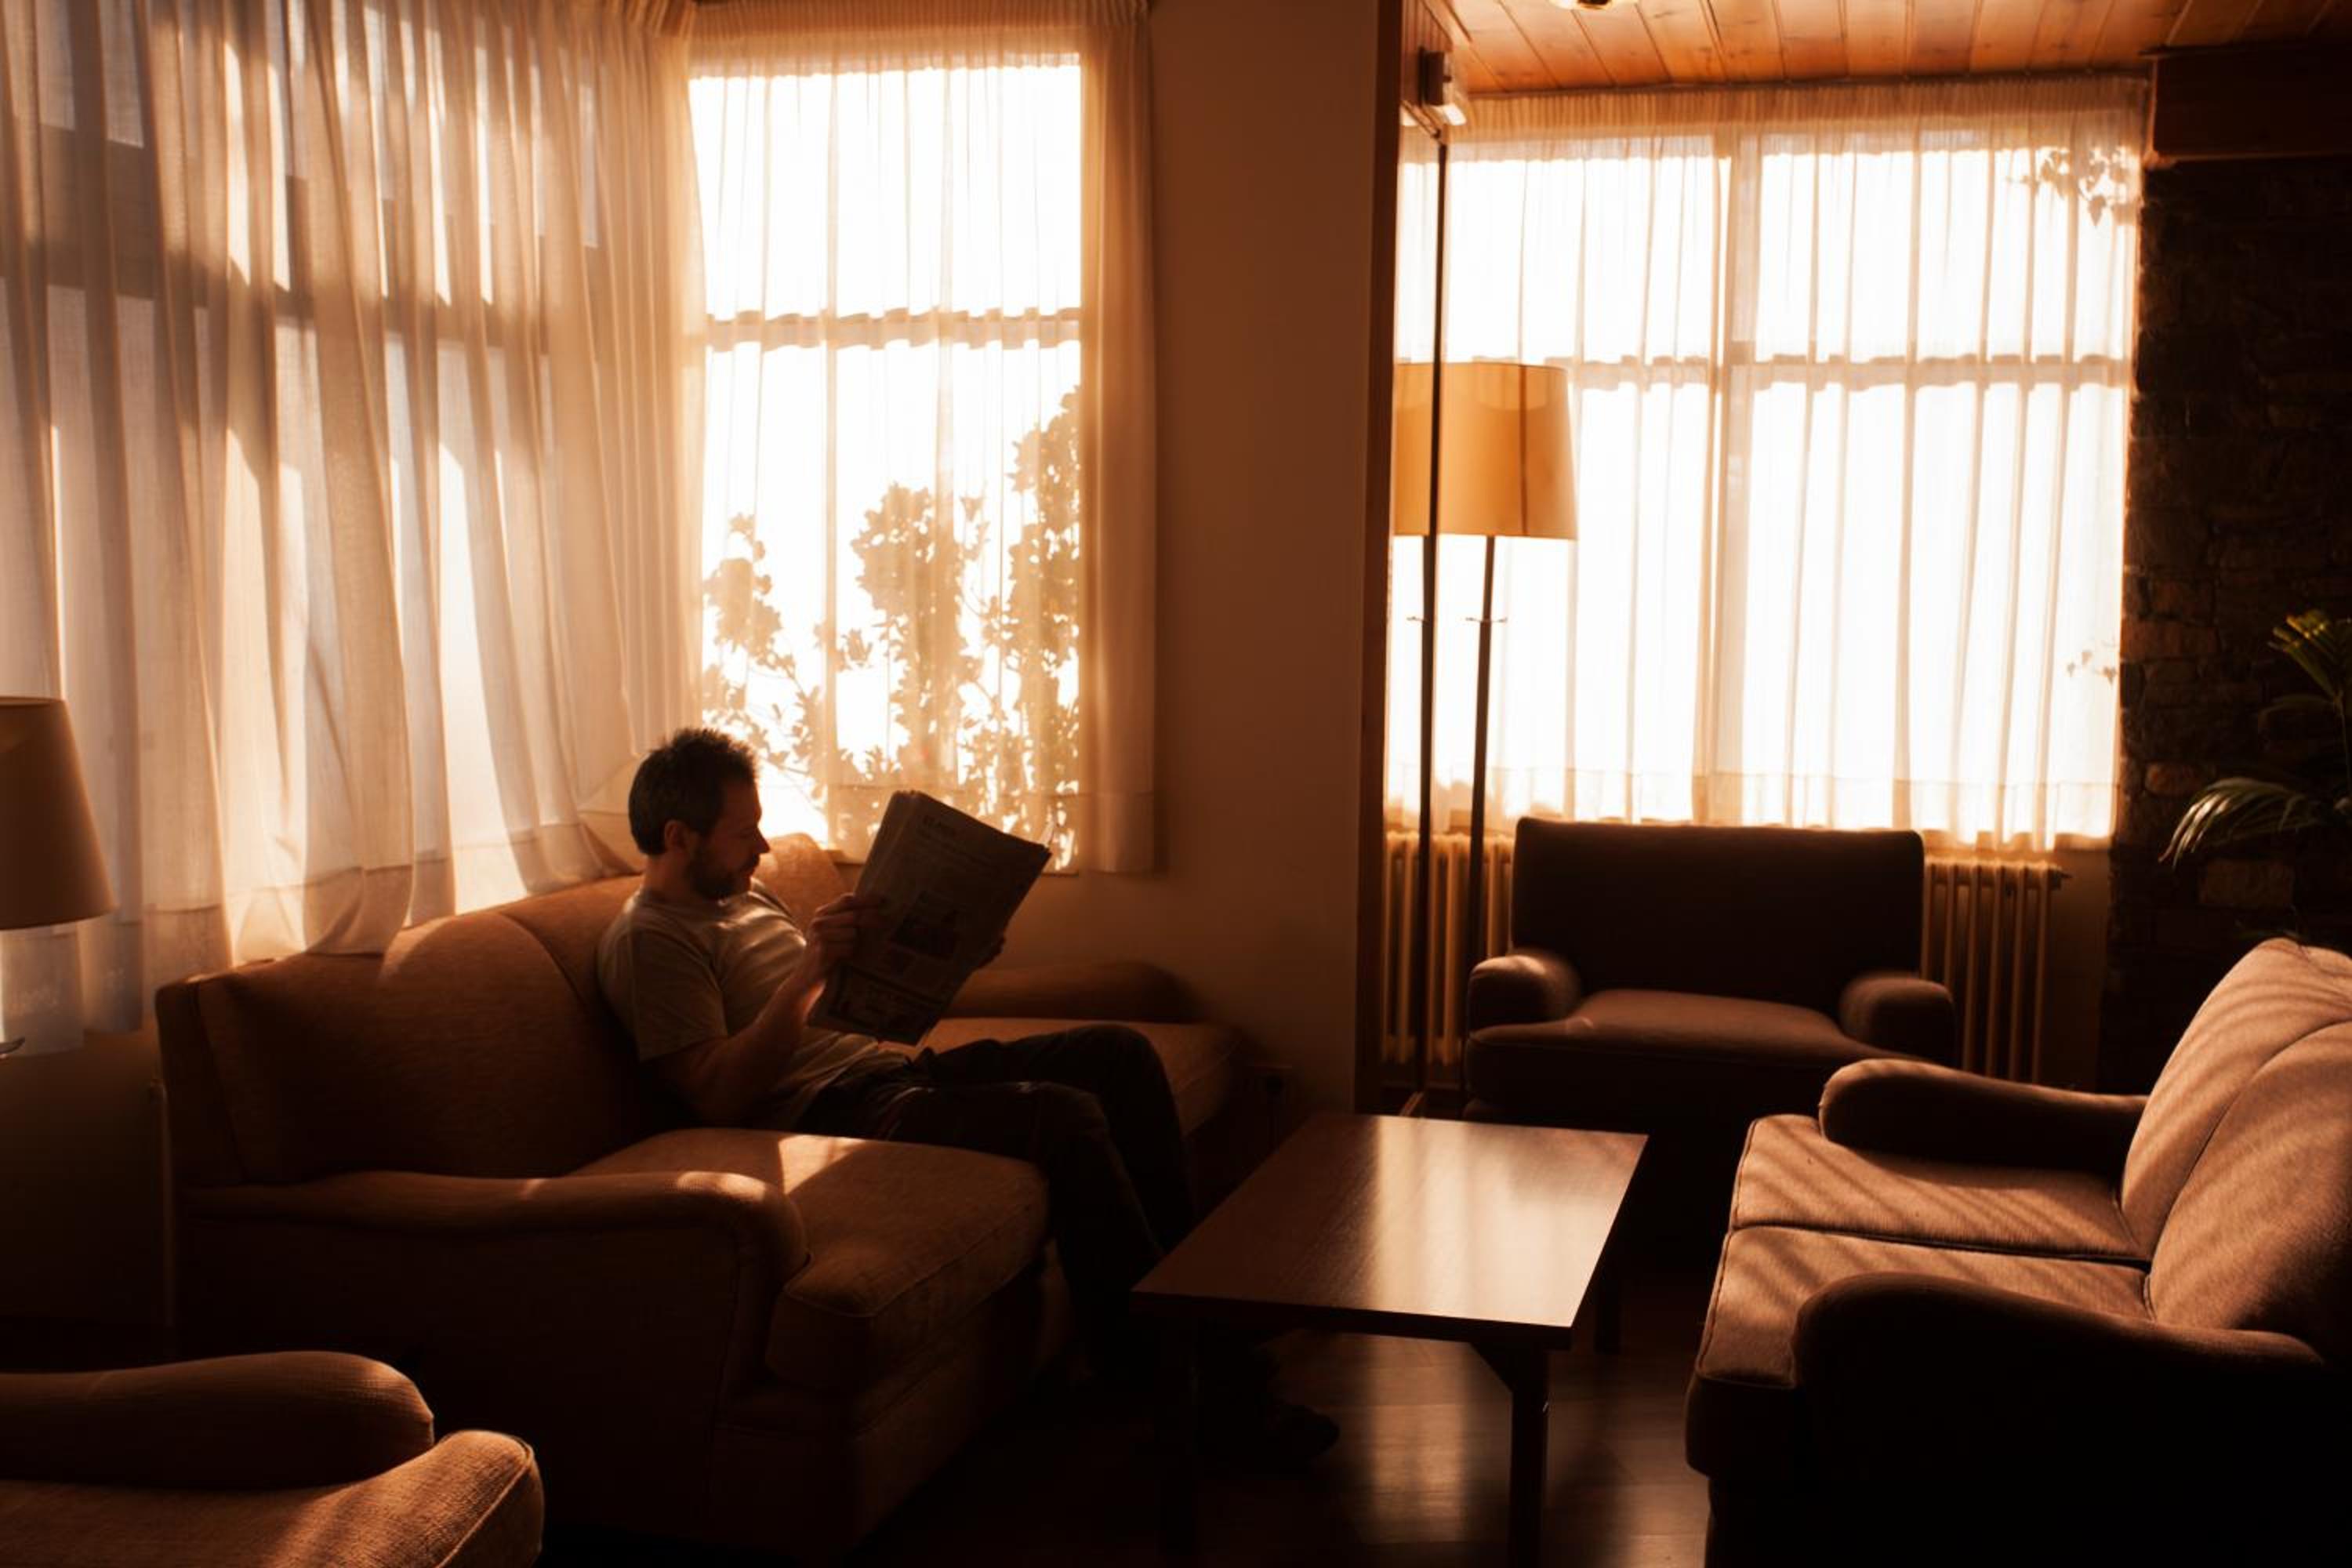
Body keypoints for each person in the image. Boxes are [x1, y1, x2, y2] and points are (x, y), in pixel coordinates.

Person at [595, 728, 1334, 1464]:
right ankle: (1168, 1382)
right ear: (680, 837)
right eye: (743, 832)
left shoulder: (744, 894)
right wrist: (810, 972)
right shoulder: (650, 939)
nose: (761, 847)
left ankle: (1188, 1310)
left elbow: (847, 1003)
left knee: (1119, 1055)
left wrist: (943, 954)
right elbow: (718, 1093)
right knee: (1060, 1114)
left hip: (888, 1070)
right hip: (829, 1110)